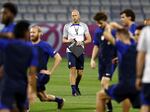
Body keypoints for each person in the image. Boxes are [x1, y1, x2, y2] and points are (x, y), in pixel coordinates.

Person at [96, 28, 140, 112]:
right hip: (140, 85)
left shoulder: (126, 47)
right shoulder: (141, 49)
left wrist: (111, 26)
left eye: (137, 34)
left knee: (100, 95)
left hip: (127, 84)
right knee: (144, 105)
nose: (135, 36)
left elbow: (107, 35)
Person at [0, 20, 38, 112]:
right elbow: (32, 73)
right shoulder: (31, 50)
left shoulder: (7, 45)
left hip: (7, 84)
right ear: (26, 33)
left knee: (4, 108)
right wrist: (32, 91)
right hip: (22, 85)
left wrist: (6, 35)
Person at [29, 25, 64, 111]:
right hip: (32, 74)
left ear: (40, 34)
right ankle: (59, 100)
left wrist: (50, 71)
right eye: (30, 32)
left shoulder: (44, 45)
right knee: (43, 98)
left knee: (28, 88)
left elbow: (58, 58)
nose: (31, 34)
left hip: (42, 75)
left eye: (34, 32)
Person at [90, 12, 119, 112]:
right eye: (97, 23)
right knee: (103, 85)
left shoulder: (113, 31)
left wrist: (119, 56)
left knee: (104, 82)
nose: (98, 24)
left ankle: (107, 105)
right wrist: (92, 59)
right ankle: (109, 108)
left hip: (111, 60)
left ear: (105, 20)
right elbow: (96, 46)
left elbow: (119, 44)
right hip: (102, 61)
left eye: (100, 22)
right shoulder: (98, 31)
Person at [62, 9, 91, 96]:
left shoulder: (84, 26)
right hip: (70, 49)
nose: (74, 17)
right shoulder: (67, 26)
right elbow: (63, 40)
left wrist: (82, 42)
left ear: (79, 16)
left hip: (80, 50)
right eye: (72, 15)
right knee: (72, 69)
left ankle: (76, 86)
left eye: (75, 15)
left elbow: (89, 39)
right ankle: (73, 90)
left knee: (80, 73)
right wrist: (68, 40)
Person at [136, 26, 150, 112]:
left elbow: (141, 56)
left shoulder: (146, 31)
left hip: (148, 77)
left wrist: (138, 76)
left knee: (145, 104)